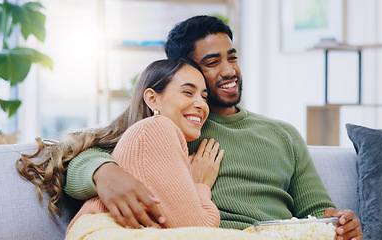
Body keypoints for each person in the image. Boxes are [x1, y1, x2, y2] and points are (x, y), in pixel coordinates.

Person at [64, 16, 363, 240]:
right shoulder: (175, 125)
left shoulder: (283, 134)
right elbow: (81, 155)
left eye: (232, 57)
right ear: (185, 70)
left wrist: (341, 222)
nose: (229, 70)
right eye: (212, 62)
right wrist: (104, 173)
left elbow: (318, 208)